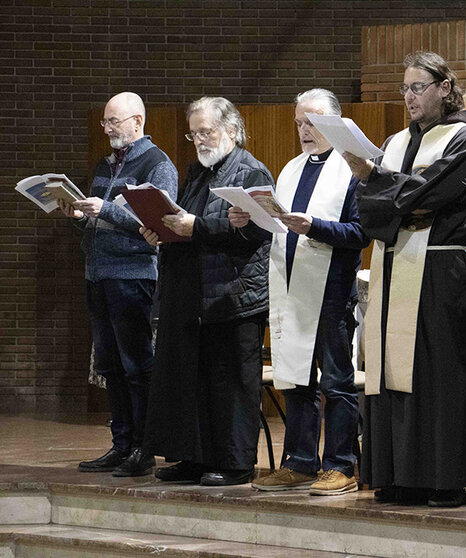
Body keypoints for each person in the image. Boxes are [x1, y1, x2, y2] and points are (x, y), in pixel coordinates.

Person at [343, 50, 466, 508]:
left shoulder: (463, 139)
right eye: (405, 88)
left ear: (444, 88)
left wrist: (383, 187)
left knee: (437, 375)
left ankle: (443, 478)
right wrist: (393, 197)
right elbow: (370, 207)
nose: (409, 96)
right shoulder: (394, 142)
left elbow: (430, 191)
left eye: (418, 87)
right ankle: (397, 475)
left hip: (438, 269)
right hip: (392, 263)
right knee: (390, 373)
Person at [241, 89, 368, 495]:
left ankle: (340, 466)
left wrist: (314, 227)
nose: (303, 131)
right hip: (290, 286)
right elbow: (280, 228)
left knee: (336, 382)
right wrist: (252, 218)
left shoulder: (354, 169)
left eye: (311, 122)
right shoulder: (291, 168)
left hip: (331, 292)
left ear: (334, 123)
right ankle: (299, 462)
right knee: (295, 379)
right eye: (298, 123)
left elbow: (361, 233)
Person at [141, 97, 273, 487]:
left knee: (230, 383)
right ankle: (194, 458)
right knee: (192, 380)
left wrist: (193, 227)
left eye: (206, 132)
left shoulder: (251, 171)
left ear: (231, 131)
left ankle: (235, 464)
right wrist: (160, 230)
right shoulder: (197, 172)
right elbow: (185, 221)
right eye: (193, 133)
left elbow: (255, 230)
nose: (199, 140)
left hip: (233, 295)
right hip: (194, 295)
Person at [59, 92, 177, 477]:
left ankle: (143, 448)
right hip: (97, 273)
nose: (107, 128)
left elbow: (160, 221)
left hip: (132, 275)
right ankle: (121, 444)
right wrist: (77, 214)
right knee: (109, 365)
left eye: (114, 121)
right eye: (105, 122)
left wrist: (103, 208)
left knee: (135, 365)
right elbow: (101, 220)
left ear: (138, 122)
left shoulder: (158, 164)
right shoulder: (105, 164)